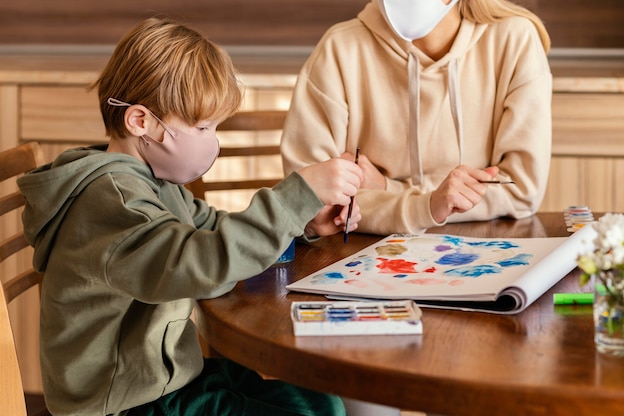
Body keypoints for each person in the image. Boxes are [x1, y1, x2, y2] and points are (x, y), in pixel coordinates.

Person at [17, 17, 364, 416]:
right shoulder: (114, 202)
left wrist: (302, 224)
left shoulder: (152, 181)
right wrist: (296, 195)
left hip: (168, 375)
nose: (212, 141)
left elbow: (214, 230)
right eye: (202, 127)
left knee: (322, 405)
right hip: (126, 401)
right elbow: (202, 263)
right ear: (141, 121)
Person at [281, 0, 553, 235]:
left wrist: (388, 188)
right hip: (367, 258)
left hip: (483, 252)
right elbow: (310, 204)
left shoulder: (515, 40)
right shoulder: (339, 49)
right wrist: (427, 204)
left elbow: (521, 189)